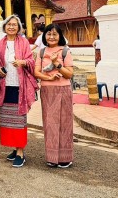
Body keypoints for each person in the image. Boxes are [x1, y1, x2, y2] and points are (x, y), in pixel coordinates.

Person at [0, 15, 37, 168]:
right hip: (5, 86)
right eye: (9, 24)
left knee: (19, 120)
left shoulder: (23, 42)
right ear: (5, 27)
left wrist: (22, 62)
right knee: (7, 119)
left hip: (19, 86)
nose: (11, 27)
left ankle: (20, 152)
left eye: (14, 25)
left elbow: (31, 61)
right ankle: (13, 147)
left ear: (19, 27)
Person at [34, 23, 74, 168]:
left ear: (60, 36)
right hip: (47, 90)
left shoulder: (65, 51)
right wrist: (48, 78)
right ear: (44, 36)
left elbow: (69, 74)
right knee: (50, 123)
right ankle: (51, 157)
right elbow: (36, 72)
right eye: (48, 34)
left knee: (64, 123)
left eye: (54, 34)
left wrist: (57, 64)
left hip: (63, 89)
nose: (51, 37)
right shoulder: (41, 51)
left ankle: (64, 158)